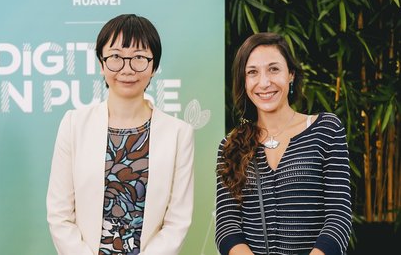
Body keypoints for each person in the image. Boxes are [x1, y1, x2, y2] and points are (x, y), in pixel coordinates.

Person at [46, 14, 195, 255]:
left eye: (139, 58)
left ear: (154, 66)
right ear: (101, 63)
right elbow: (59, 214)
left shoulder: (178, 134)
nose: (127, 69)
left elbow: (177, 222)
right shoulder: (74, 124)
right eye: (116, 57)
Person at [214, 32, 352, 255]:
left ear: (291, 75)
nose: (264, 82)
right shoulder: (231, 145)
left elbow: (339, 217)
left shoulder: (326, 129)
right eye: (252, 73)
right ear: (244, 81)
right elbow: (227, 226)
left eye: (273, 69)